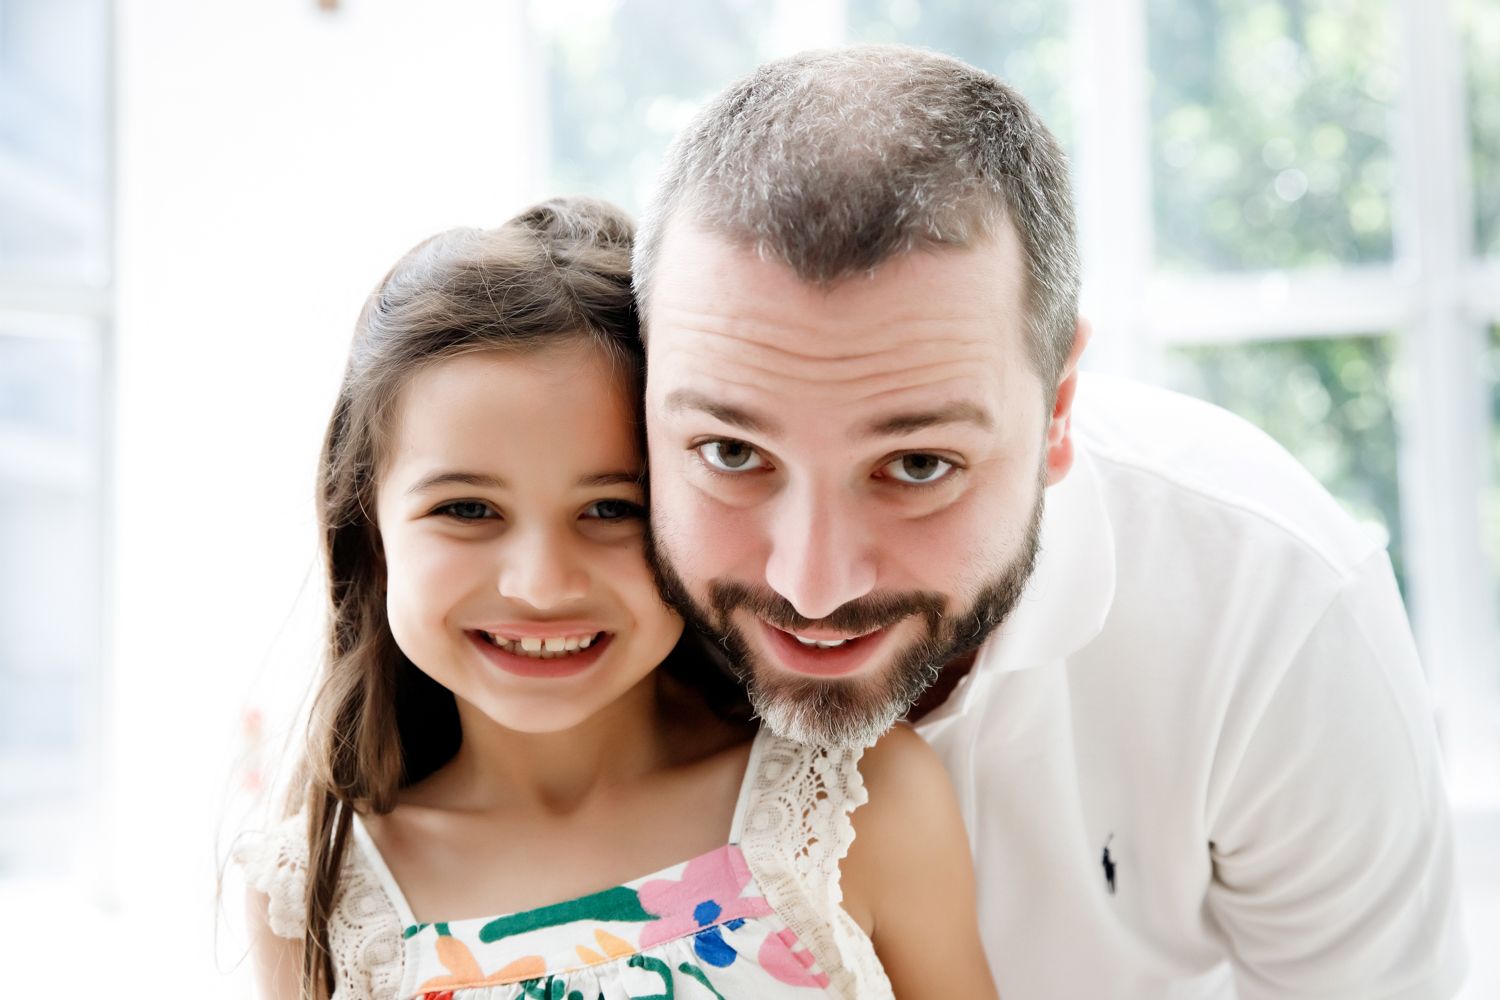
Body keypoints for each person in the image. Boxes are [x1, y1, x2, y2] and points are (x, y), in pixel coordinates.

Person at [638, 45, 1468, 999]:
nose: (811, 584)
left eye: (918, 466)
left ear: (1059, 406)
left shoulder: (1270, 597)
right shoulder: (541, 606)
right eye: (732, 454)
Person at [234, 197, 997, 1000]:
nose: (541, 584)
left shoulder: (853, 810)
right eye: (467, 510)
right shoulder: (317, 895)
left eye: (610, 509)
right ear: (370, 528)